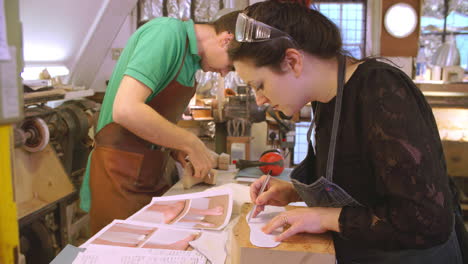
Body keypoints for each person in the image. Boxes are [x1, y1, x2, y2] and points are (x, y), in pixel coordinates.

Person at [228, 1, 466, 263]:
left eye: (259, 85)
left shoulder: (380, 90)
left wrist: (323, 216)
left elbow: (426, 220)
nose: (259, 100)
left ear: (293, 61)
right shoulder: (324, 100)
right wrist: (293, 192)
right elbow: (362, 183)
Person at [79, 10, 240, 234]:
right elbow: (126, 110)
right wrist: (190, 142)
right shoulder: (166, 34)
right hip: (118, 175)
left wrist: (175, 148)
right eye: (230, 66)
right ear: (226, 40)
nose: (223, 73)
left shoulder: (191, 64)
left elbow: (151, 122)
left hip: (148, 174)